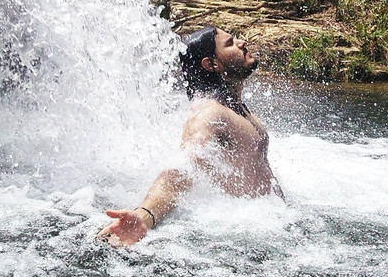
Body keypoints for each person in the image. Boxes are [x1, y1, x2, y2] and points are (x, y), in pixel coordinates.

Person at [96, 26, 282, 247]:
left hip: (268, 225)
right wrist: (145, 216)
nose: (242, 43)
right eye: (230, 43)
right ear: (211, 64)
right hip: (251, 238)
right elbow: (182, 169)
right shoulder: (209, 114)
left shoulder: (233, 105)